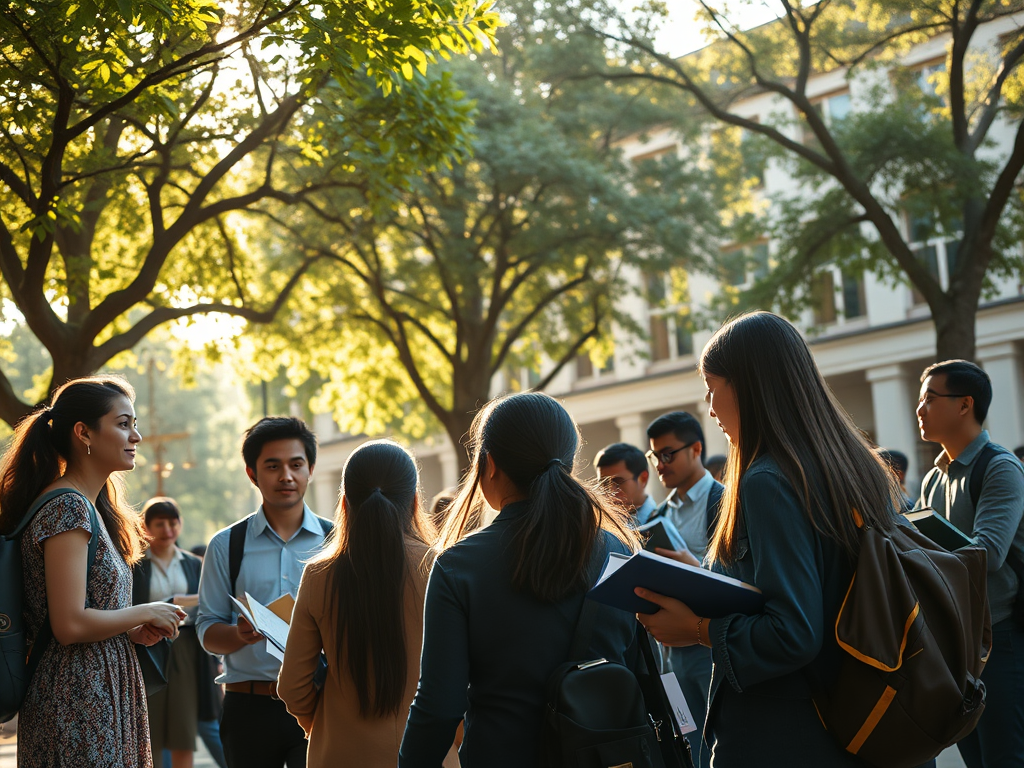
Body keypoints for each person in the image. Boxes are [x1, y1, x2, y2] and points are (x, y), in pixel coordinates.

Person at [637, 311, 901, 767]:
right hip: (861, 719)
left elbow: (794, 633)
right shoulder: (854, 466)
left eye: (712, 384)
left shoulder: (768, 480)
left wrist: (695, 629)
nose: (709, 405)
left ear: (747, 384)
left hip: (791, 732)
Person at [399, 392, 641, 767]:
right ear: (568, 462)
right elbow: (639, 670)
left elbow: (439, 706)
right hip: (602, 758)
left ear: (490, 464)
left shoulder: (458, 566)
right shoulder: (618, 553)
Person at [0, 376, 185, 768]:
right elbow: (68, 624)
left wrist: (128, 628)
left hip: (96, 690)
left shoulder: (88, 506)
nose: (136, 435)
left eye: (134, 424)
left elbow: (81, 613)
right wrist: (145, 612)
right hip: (76, 699)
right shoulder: (67, 507)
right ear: (83, 432)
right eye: (123, 424)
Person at [278, 440, 451, 767]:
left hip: (338, 754)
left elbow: (292, 686)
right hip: (429, 753)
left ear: (343, 504)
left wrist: (322, 726)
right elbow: (463, 681)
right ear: (415, 502)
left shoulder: (319, 574)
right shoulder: (443, 568)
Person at [196, 417, 330, 768]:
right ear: (252, 474)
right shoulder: (227, 545)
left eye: (296, 464)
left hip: (321, 702)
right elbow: (207, 629)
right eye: (273, 466)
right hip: (249, 707)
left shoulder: (337, 541)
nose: (286, 475)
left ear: (310, 470)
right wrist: (239, 634)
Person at [917, 359, 1024, 768]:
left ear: (965, 405)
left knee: (1004, 757)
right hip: (956, 645)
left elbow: (989, 553)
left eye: (930, 398)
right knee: (975, 758)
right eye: (919, 400)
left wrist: (922, 553)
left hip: (1000, 637)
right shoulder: (933, 478)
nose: (920, 409)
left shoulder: (1000, 467)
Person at [644, 410, 724, 768]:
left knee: (720, 740)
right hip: (670, 657)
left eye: (667, 454)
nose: (660, 464)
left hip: (710, 647)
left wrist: (693, 567)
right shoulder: (658, 515)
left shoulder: (724, 502)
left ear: (696, 449)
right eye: (654, 455)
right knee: (687, 740)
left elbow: (736, 581)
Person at [134, 497, 225, 768]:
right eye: (159, 523)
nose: (167, 529)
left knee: (183, 729)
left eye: (173, 523)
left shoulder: (193, 563)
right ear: (145, 527)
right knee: (152, 726)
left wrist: (182, 602)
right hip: (146, 647)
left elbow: (208, 601)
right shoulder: (135, 564)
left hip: (185, 647)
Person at [595, 441, 656, 522]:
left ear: (643, 478)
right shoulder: (597, 524)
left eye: (618, 482)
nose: (610, 492)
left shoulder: (667, 521)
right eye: (604, 484)